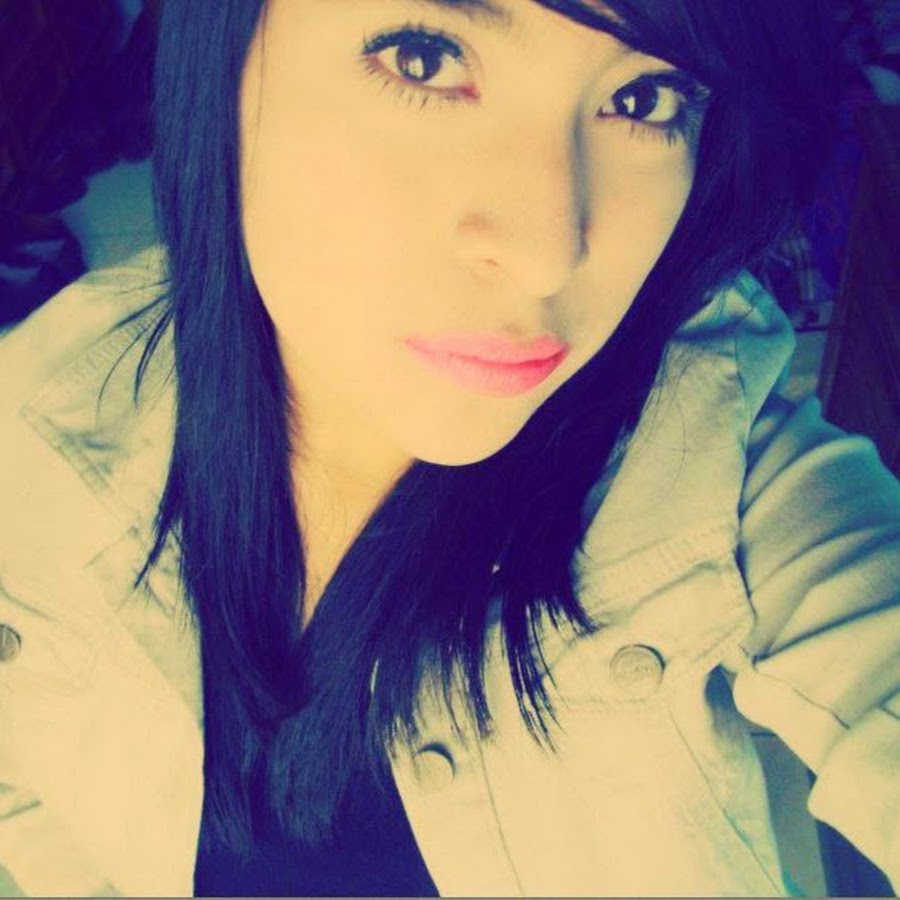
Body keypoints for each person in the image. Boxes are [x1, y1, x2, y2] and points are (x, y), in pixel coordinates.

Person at [0, 0, 897, 895]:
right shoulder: (34, 446)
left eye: (645, 99)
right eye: (424, 59)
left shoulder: (724, 479)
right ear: (222, 56)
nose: (548, 252)